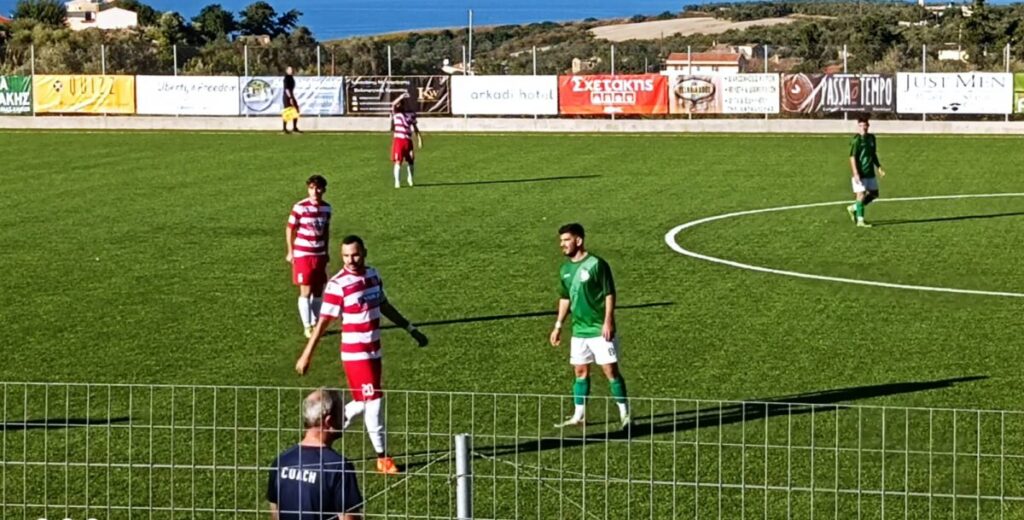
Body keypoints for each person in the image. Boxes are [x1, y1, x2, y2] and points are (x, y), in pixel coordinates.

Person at [296, 235, 429, 474]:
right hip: (355, 354)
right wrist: (307, 355)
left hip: (374, 350)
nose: (350, 260)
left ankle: (321, 434)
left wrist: (410, 329)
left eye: (355, 255)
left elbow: (384, 305)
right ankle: (382, 457)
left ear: (364, 252)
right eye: (346, 256)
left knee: (364, 401)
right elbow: (323, 323)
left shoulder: (373, 275)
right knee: (374, 401)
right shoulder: (338, 285)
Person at [549, 223, 630, 430]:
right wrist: (558, 325)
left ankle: (625, 414)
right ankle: (579, 416)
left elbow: (609, 293)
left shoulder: (597, 264)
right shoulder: (565, 270)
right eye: (561, 241)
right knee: (580, 372)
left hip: (599, 330)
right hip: (579, 331)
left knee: (610, 371)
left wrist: (608, 320)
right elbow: (565, 298)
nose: (562, 244)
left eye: (566, 240)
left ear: (578, 240)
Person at [267, 388, 363, 520]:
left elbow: (276, 512)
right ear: (328, 421)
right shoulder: (338, 466)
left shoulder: (281, 461)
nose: (345, 418)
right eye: (341, 414)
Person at [286, 175, 331, 338]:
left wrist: (326, 251)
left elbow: (326, 231)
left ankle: (316, 323)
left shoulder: (327, 208)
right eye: (312, 188)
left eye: (318, 188)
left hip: (319, 253)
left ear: (323, 190)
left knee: (318, 290)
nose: (315, 191)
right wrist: (290, 251)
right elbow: (290, 229)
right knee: (306, 289)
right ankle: (307, 325)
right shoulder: (300, 207)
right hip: (303, 254)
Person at [846, 116, 886, 228]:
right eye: (861, 126)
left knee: (874, 193)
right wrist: (855, 173)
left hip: (870, 171)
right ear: (858, 127)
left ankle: (854, 208)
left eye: (865, 125)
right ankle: (860, 221)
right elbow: (852, 157)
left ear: (868, 126)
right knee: (861, 194)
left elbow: (873, 154)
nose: (863, 128)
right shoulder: (856, 140)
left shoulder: (871, 138)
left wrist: (879, 167)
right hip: (860, 172)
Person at [390, 92, 422, 189]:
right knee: (398, 161)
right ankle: (397, 181)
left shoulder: (410, 114)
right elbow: (392, 104)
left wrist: (419, 138)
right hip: (399, 140)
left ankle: (410, 178)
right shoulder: (396, 114)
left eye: (400, 103)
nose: (398, 105)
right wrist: (400, 97)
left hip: (408, 140)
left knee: (411, 160)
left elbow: (415, 127)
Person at [283, 66, 301, 134]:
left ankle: (294, 128)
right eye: (289, 69)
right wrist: (290, 97)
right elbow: (286, 89)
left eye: (291, 69)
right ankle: (284, 128)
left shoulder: (291, 77)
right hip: (287, 96)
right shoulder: (286, 78)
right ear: (287, 71)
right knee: (287, 112)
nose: (291, 70)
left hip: (291, 95)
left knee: (296, 110)